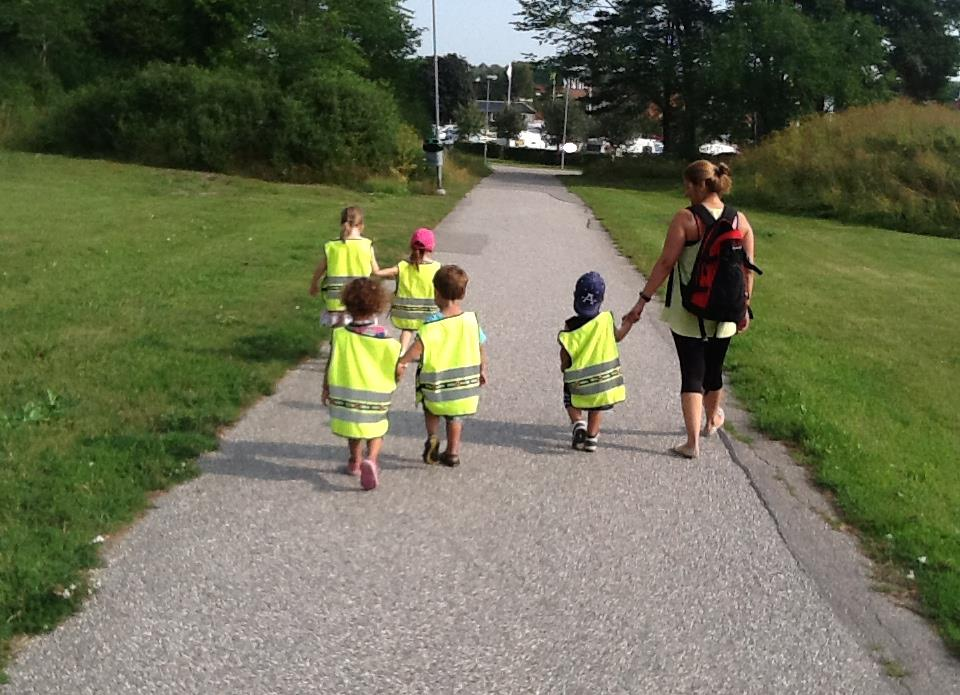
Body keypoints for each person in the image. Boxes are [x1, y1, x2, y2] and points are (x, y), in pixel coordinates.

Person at [625, 160, 757, 459]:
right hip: (727, 310)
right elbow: (748, 270)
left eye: (687, 185)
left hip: (689, 310)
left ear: (700, 185)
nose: (685, 191)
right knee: (714, 372)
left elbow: (666, 263)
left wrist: (642, 300)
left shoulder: (686, 219)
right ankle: (711, 421)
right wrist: (744, 307)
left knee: (691, 374)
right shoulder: (740, 220)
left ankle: (692, 442)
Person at [395, 265, 488, 468]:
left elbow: (418, 349)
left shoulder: (431, 324)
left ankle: (433, 438)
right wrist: (482, 369)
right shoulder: (471, 322)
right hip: (462, 384)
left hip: (436, 383)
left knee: (432, 409)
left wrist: (402, 362)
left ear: (436, 292)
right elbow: (480, 346)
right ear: (463, 293)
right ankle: (453, 452)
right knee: (455, 417)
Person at [322, 278, 400, 490]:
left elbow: (331, 362)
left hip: (348, 395)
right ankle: (372, 459)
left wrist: (325, 387)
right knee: (376, 430)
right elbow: (395, 366)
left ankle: (355, 461)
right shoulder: (385, 339)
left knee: (354, 431)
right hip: (375, 394)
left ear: (347, 304)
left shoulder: (340, 335)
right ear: (379, 306)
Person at [559, 272, 635, 452]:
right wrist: (629, 323)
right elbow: (618, 336)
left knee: (570, 401)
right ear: (601, 299)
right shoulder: (606, 321)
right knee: (596, 407)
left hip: (578, 378)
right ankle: (592, 437)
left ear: (576, 297)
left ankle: (578, 422)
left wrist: (564, 367)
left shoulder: (571, 324)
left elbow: (566, 350)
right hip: (602, 380)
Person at [308, 206, 380, 328]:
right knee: (358, 334)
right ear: (361, 226)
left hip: (336, 299)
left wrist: (314, 284)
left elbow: (320, 269)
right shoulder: (366, 245)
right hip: (359, 299)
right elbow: (376, 271)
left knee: (337, 335)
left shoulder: (332, 246)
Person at [374, 227, 441, 353]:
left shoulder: (403, 266)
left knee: (407, 330)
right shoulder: (437, 268)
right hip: (428, 313)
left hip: (405, 313)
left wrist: (375, 267)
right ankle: (424, 352)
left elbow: (380, 273)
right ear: (431, 247)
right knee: (427, 332)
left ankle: (402, 352)